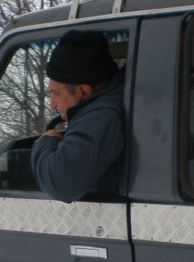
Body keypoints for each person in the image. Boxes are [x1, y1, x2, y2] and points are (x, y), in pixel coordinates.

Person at [31, 31, 124, 203]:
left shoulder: (102, 116)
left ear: (83, 91)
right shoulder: (113, 98)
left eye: (55, 93)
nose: (52, 104)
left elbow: (62, 183)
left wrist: (46, 143)